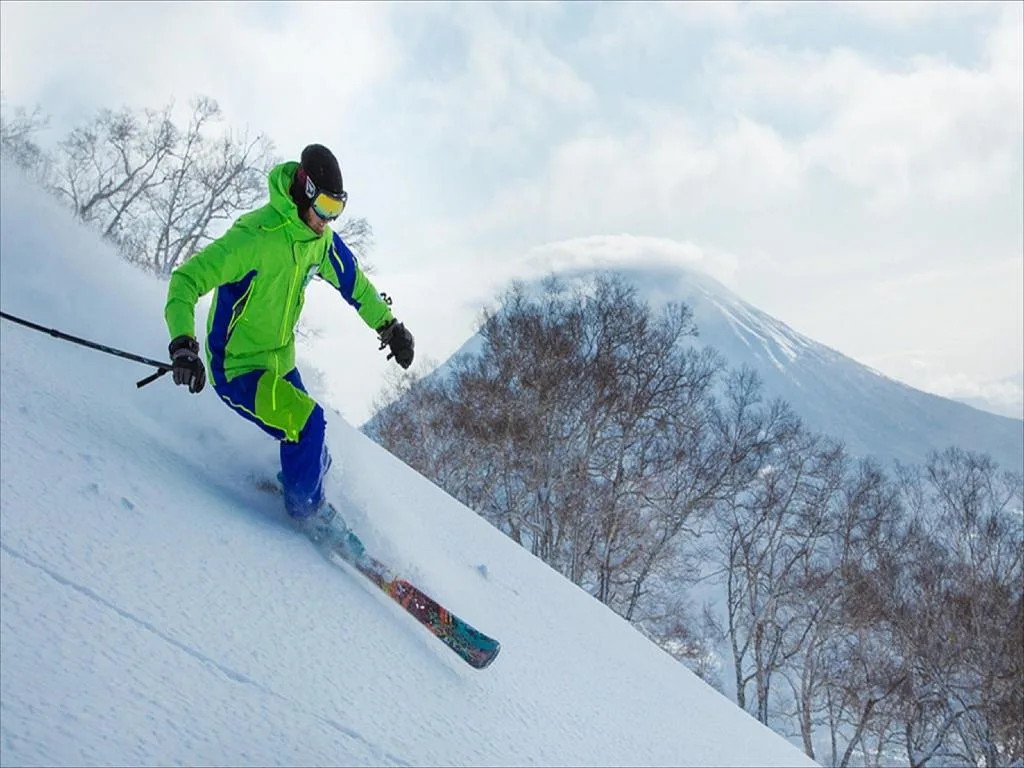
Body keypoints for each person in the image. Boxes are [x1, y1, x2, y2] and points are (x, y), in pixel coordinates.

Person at [163, 143, 414, 548]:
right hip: (240, 369)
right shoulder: (255, 237)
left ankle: (300, 488)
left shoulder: (320, 241)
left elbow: (356, 285)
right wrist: (182, 344)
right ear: (304, 190)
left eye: (337, 210)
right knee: (308, 425)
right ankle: (307, 515)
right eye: (325, 208)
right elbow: (185, 281)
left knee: (317, 451)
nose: (328, 221)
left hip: (280, 362)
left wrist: (389, 327)